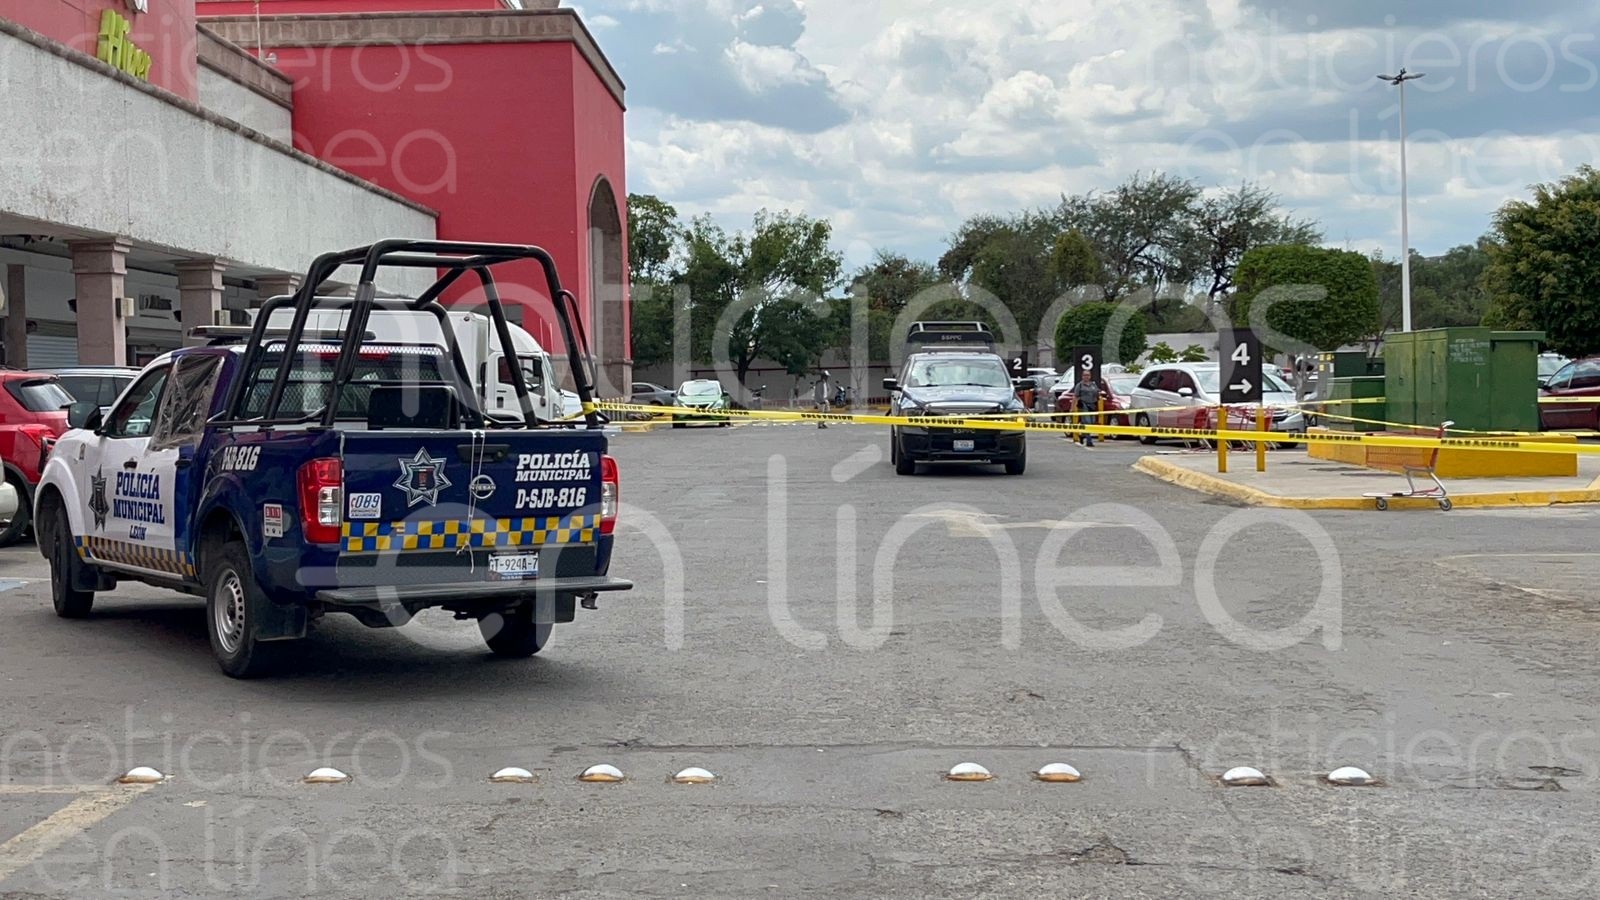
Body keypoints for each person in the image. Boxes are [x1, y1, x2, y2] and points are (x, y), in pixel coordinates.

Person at [1070, 369, 1106, 447]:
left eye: (1088, 375)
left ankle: (1082, 435)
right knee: (1087, 422)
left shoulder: (1093, 384)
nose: (1086, 377)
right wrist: (1072, 407)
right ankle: (1089, 441)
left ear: (1090, 376)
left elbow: (1097, 393)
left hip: (1092, 405)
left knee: (1092, 422)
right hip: (1084, 405)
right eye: (1085, 375)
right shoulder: (1079, 385)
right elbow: (1075, 397)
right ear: (1082, 376)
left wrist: (1100, 395)